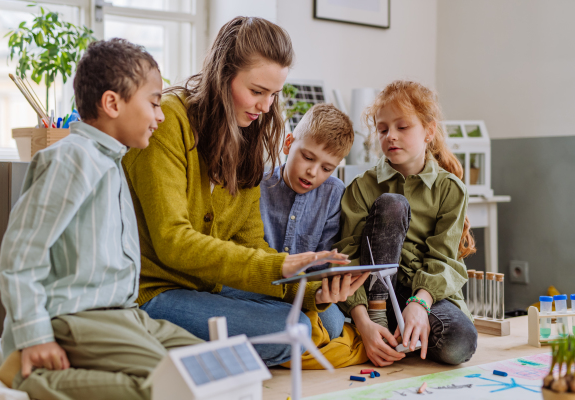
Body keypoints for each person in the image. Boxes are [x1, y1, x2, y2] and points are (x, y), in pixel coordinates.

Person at [122, 17, 363, 367]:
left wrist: (316, 289)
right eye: (256, 91)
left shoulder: (245, 134)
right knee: (295, 328)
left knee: (325, 316)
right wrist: (280, 266)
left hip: (208, 284)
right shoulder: (168, 124)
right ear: (223, 76)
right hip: (156, 290)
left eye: (273, 95)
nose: (266, 107)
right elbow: (174, 241)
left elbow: (252, 243)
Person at [0, 39, 203, 400]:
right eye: (154, 103)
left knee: (211, 362)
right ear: (112, 103)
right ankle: (25, 377)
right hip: (74, 316)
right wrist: (34, 334)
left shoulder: (113, 161)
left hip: (125, 315)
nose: (161, 116)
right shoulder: (71, 159)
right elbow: (18, 259)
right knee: (170, 386)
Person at [335, 80, 478, 367]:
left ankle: (404, 336)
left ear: (428, 131)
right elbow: (347, 258)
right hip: (373, 299)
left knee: (460, 344)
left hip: (426, 294)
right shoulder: (362, 187)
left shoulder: (450, 189)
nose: (391, 136)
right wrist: (364, 323)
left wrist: (420, 303)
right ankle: (381, 327)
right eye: (383, 129)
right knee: (393, 203)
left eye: (402, 127)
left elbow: (444, 259)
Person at [260, 103, 357, 342]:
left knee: (333, 325)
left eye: (326, 168)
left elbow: (324, 262)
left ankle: (285, 331)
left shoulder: (334, 194)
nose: (313, 172)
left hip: (307, 293)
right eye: (307, 157)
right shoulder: (258, 186)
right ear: (289, 143)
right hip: (261, 288)